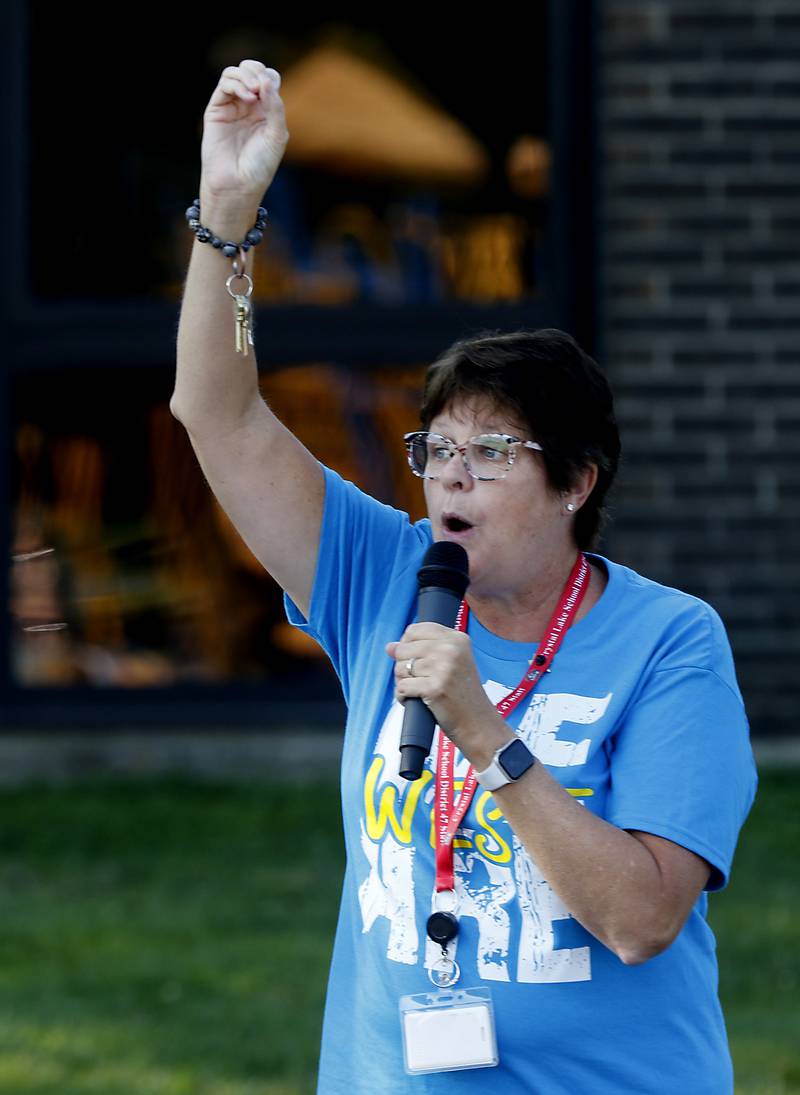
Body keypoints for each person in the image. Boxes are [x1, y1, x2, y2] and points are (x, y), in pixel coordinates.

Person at [173, 60, 757, 1094]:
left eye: (491, 454)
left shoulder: (669, 642)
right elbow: (215, 413)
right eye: (437, 450)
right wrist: (227, 211)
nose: (451, 474)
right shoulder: (380, 574)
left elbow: (638, 920)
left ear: (575, 481)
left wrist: (483, 733)